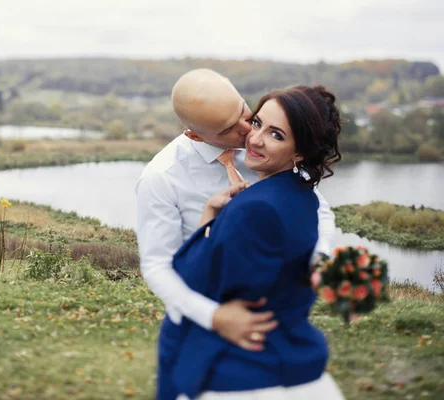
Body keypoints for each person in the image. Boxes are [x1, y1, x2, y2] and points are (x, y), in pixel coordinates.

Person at [160, 85, 345, 400]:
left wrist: (210, 222)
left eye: (276, 135)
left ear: (299, 151)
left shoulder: (255, 207)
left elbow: (194, 283)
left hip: (242, 372)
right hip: (285, 356)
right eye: (257, 123)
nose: (255, 139)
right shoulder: (303, 196)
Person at [135, 69, 336, 355]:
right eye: (228, 129)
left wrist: (318, 260)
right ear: (195, 134)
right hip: (202, 323)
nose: (247, 131)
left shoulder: (268, 142)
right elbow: (157, 267)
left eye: (246, 113)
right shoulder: (161, 178)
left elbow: (318, 207)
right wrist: (215, 317)